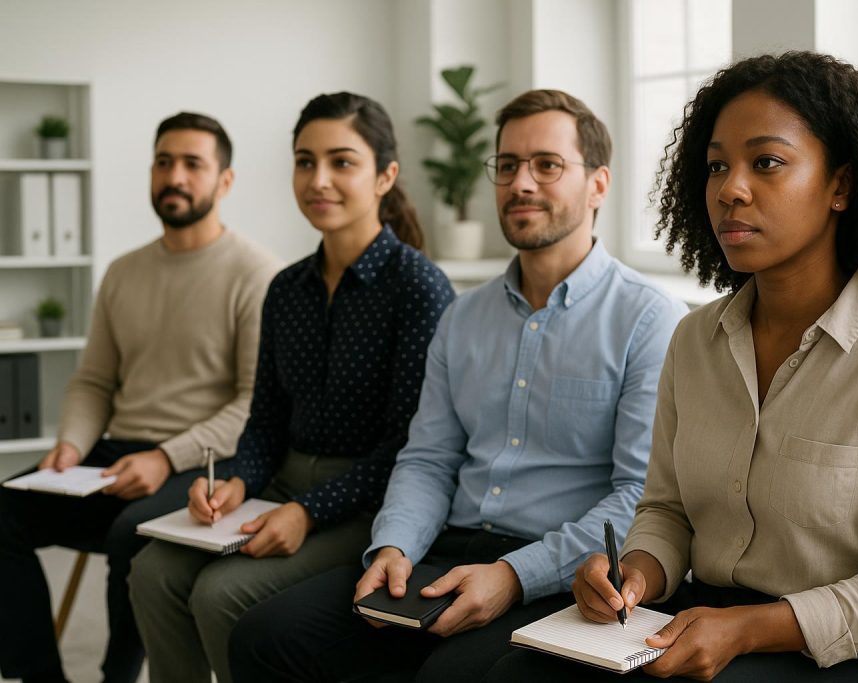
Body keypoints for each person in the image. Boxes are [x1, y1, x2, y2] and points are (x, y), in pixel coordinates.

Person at [484, 52, 858, 683]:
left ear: (841, 186)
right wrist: (635, 573)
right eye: (717, 166)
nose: (729, 189)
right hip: (704, 618)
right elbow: (666, 510)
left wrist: (751, 628)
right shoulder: (695, 340)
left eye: (766, 162)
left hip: (852, 653)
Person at [228, 88, 687, 683]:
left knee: (448, 676)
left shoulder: (650, 319)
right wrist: (394, 548)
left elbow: (640, 498)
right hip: (444, 548)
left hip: (561, 572)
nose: (521, 183)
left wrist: (515, 575)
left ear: (598, 184)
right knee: (264, 638)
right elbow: (427, 459)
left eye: (547, 165)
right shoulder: (462, 317)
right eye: (507, 165)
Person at [127, 91, 455, 683]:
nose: (318, 179)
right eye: (305, 161)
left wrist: (307, 511)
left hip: (367, 503)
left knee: (219, 592)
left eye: (341, 162)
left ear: (386, 176)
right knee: (152, 571)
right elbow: (265, 421)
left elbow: (407, 449)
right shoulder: (286, 288)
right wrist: (235, 482)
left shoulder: (420, 290)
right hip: (278, 486)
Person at [0, 112, 278, 683]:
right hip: (112, 456)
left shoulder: (259, 275)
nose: (173, 175)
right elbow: (94, 380)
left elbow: (254, 403)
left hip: (202, 464)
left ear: (224, 181)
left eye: (191, 164)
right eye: (163, 161)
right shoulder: (123, 272)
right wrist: (71, 447)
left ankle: (115, 678)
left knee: (133, 532)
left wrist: (165, 458)